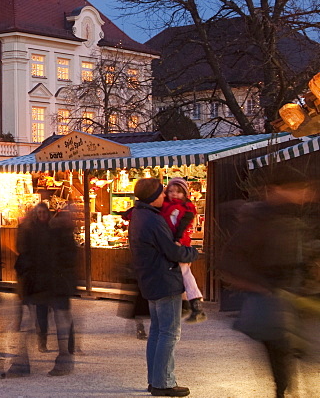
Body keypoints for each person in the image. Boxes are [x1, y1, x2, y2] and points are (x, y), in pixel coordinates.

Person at [219, 170, 320, 398]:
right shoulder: (261, 219)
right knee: (282, 353)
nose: (304, 193)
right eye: (297, 188)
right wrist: (262, 287)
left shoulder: (294, 216)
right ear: (277, 190)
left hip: (293, 297)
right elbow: (231, 258)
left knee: (295, 353)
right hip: (272, 300)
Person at [128, 177, 198, 397]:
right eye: (161, 193)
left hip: (150, 280)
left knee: (158, 332)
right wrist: (193, 253)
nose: (165, 196)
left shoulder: (140, 215)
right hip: (164, 281)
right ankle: (164, 383)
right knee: (169, 333)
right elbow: (172, 251)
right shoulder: (154, 220)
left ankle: (155, 379)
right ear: (151, 197)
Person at [9, 202, 78, 378]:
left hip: (51, 282)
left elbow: (65, 257)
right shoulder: (37, 230)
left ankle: (60, 359)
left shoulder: (53, 231)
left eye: (43, 212)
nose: (41, 215)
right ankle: (25, 362)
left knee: (58, 320)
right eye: (38, 212)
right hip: (40, 281)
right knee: (32, 321)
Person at [161, 178, 206, 322]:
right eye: (171, 191)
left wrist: (177, 241)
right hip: (172, 244)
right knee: (181, 274)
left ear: (184, 193)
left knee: (185, 274)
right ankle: (187, 305)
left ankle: (196, 306)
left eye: (178, 192)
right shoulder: (166, 206)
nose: (174, 194)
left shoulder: (186, 209)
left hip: (179, 244)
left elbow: (182, 227)